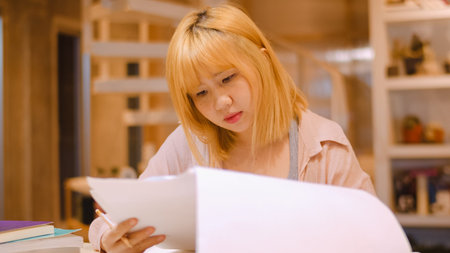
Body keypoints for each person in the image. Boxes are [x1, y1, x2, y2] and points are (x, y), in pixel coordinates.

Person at [89, 4, 376, 252]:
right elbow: (111, 221)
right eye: (201, 93)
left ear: (263, 60)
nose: (221, 102)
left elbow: (373, 236)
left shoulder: (323, 145)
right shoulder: (189, 143)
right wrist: (107, 240)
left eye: (228, 78)